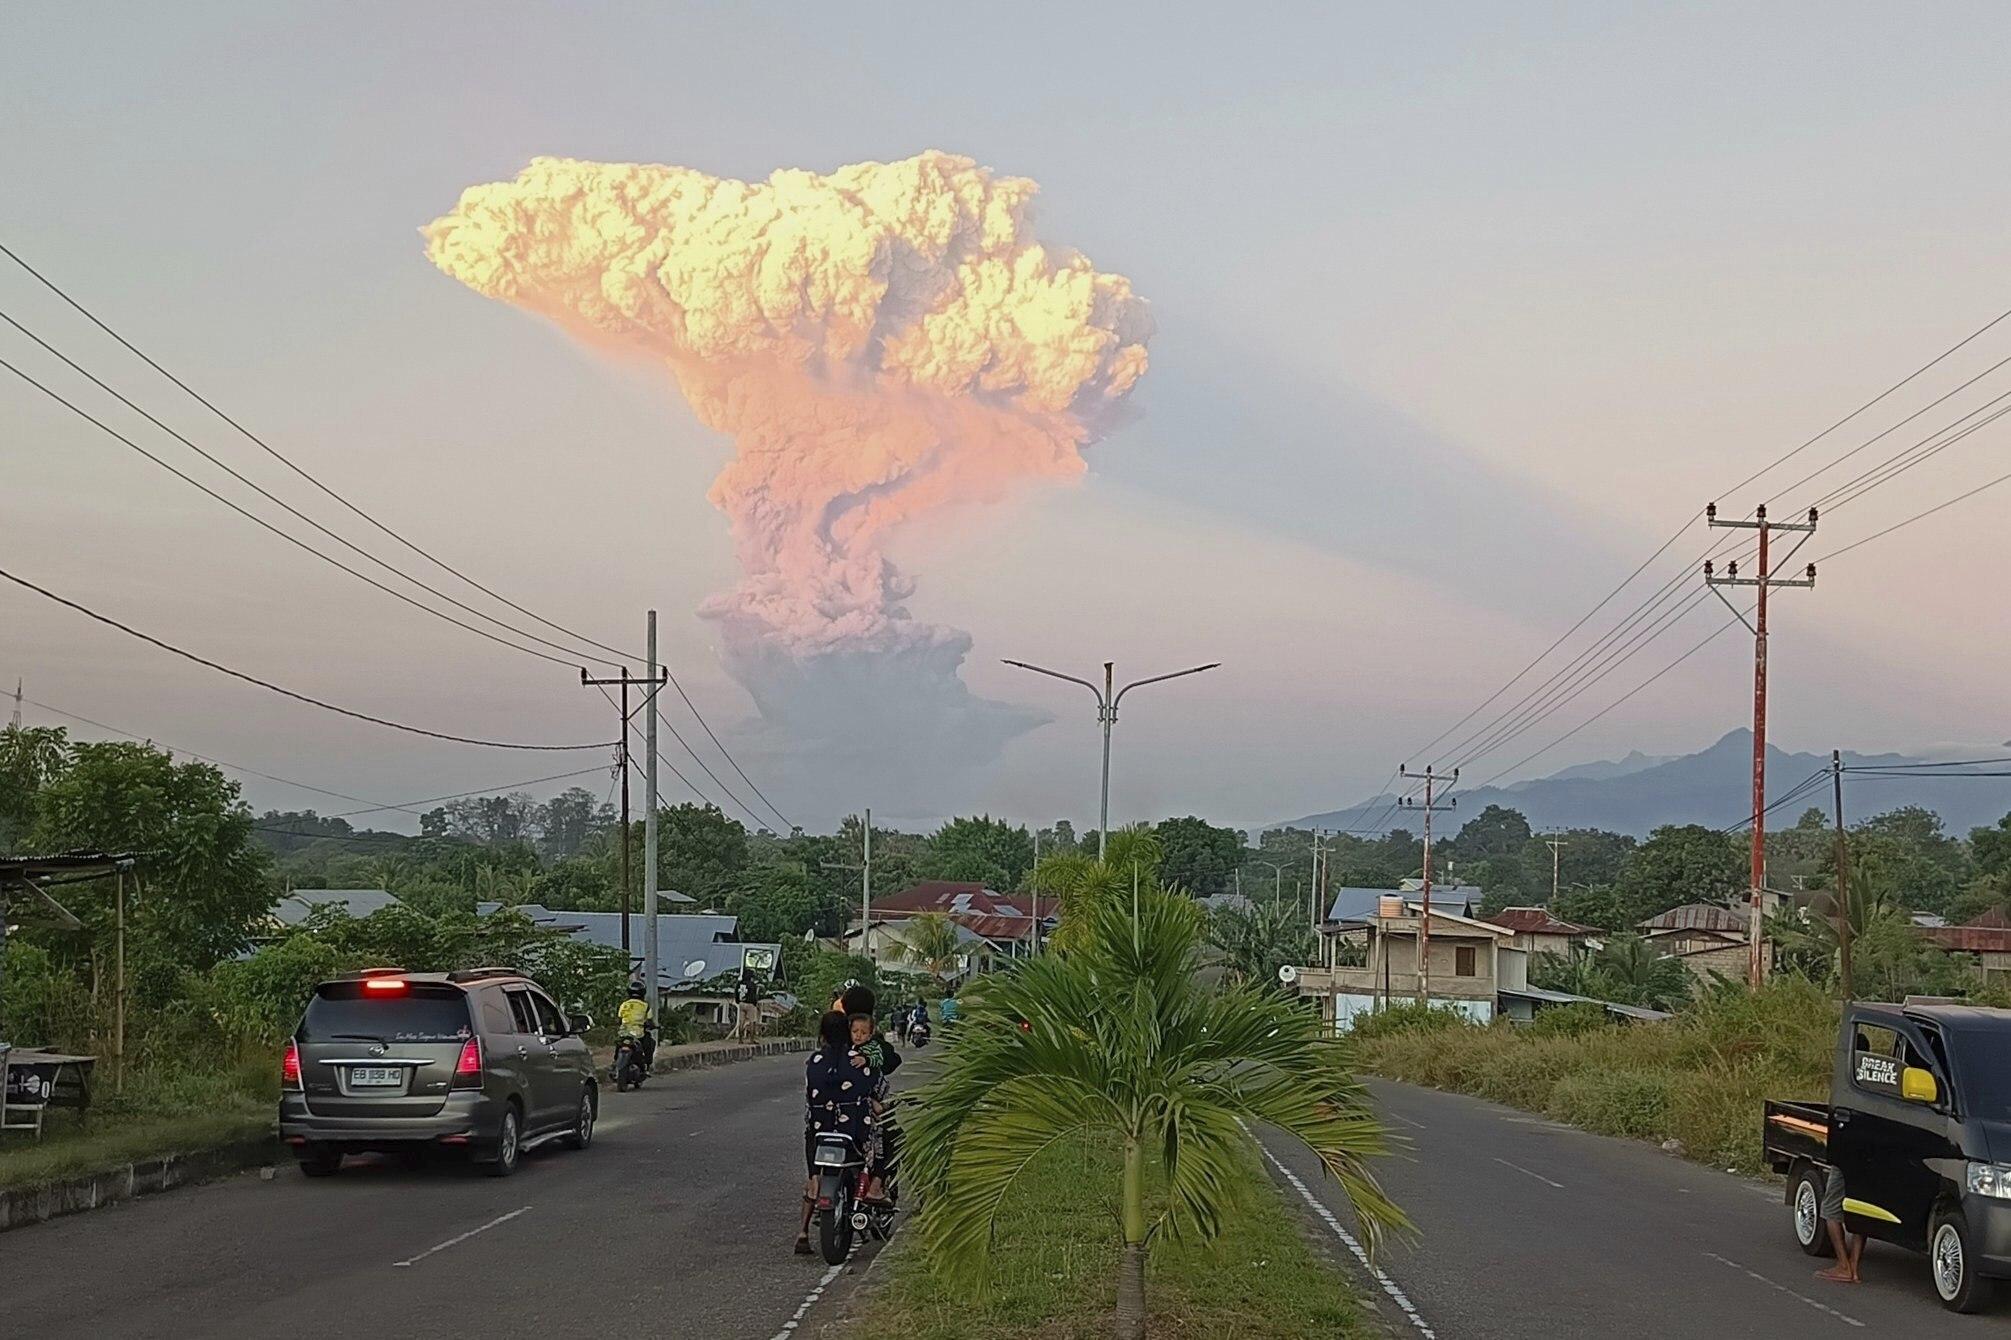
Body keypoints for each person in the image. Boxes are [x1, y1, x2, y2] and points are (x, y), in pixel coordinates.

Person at [797, 1010, 875, 1254]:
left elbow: (810, 1097)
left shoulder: (814, 1063)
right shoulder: (860, 1062)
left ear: (822, 1035)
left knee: (814, 1177)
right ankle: (870, 1194)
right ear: (848, 1033)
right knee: (874, 1153)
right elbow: (876, 1089)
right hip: (853, 1134)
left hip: (820, 1136)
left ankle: (803, 1230)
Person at [1816, 1166, 1864, 1283]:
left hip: (1845, 1162)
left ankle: (1843, 1265)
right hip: (1867, 1161)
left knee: (1830, 1210)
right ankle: (1854, 1265)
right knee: (1860, 1209)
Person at [615, 982, 655, 1070]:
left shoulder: (624, 1004)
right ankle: (647, 1066)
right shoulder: (645, 1006)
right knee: (650, 1043)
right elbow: (650, 1021)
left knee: (618, 1044)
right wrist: (652, 1026)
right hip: (638, 1033)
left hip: (624, 1032)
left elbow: (619, 1019)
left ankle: (615, 1063)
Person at [735, 966, 762, 1042]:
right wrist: (755, 1003)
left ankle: (740, 1040)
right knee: (752, 1021)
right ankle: (751, 1040)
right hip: (750, 1004)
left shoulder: (739, 984)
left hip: (741, 1003)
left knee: (741, 1021)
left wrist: (738, 1001)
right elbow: (754, 995)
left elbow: (736, 993)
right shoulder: (752, 984)